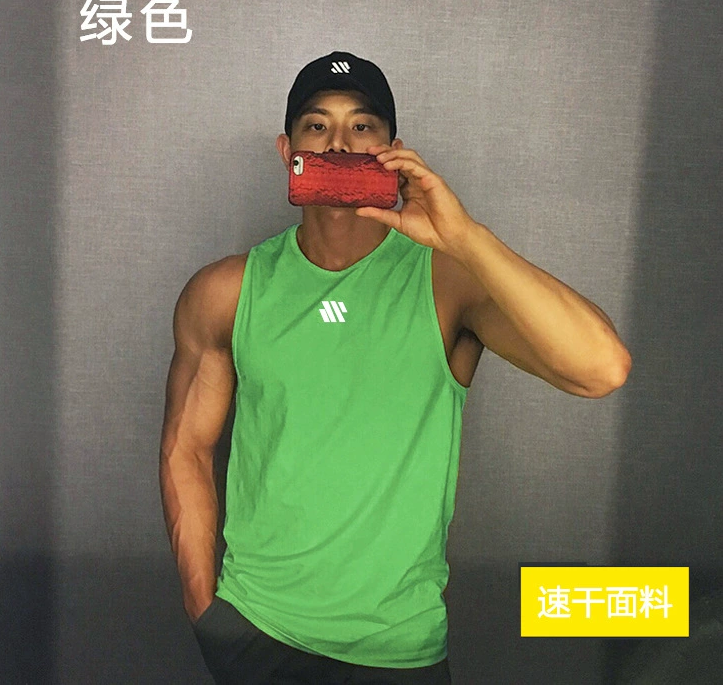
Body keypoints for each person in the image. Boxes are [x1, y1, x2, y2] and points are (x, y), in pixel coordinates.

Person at [159, 51, 632, 684]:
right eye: (317, 125)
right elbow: (186, 447)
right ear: (287, 150)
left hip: (397, 647)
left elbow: (601, 368)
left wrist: (464, 237)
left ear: (393, 151)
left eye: (362, 126)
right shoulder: (226, 291)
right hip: (256, 629)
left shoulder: (448, 283)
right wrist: (206, 611)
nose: (339, 143)